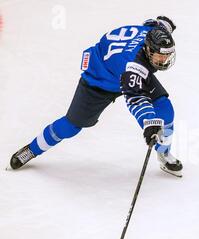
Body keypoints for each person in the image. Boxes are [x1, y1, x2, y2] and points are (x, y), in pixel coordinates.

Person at [9, 16, 183, 177]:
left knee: (165, 109)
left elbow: (156, 24)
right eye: (160, 56)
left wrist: (165, 24)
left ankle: (164, 153)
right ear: (147, 48)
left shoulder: (151, 34)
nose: (164, 60)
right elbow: (136, 98)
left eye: (167, 55)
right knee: (71, 125)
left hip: (122, 69)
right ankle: (32, 149)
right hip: (99, 80)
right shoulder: (132, 66)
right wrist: (149, 122)